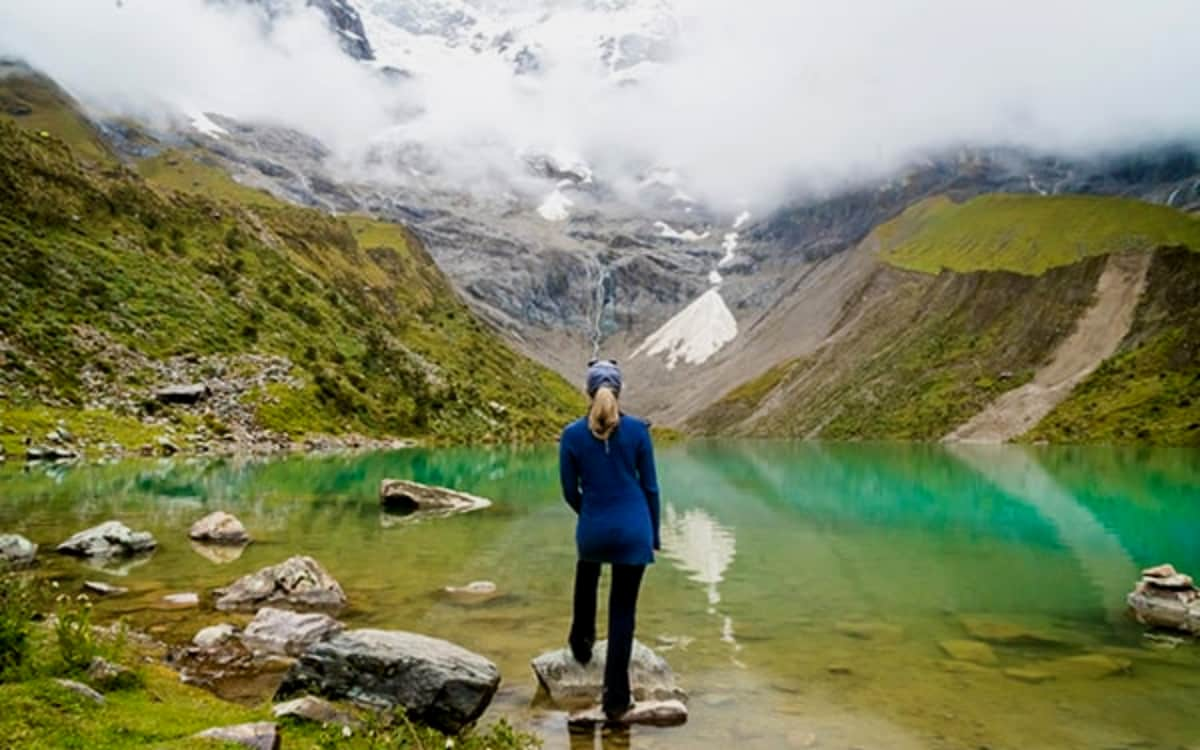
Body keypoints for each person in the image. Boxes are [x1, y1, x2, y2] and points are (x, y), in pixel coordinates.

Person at [558, 359, 661, 721]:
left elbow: (570, 491)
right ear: (619, 391)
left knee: (588, 570)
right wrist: (655, 534)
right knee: (623, 612)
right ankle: (616, 699)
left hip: (593, 529)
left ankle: (581, 638)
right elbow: (650, 487)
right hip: (635, 529)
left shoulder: (571, 435)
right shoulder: (637, 431)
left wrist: (591, 514)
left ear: (588, 391)